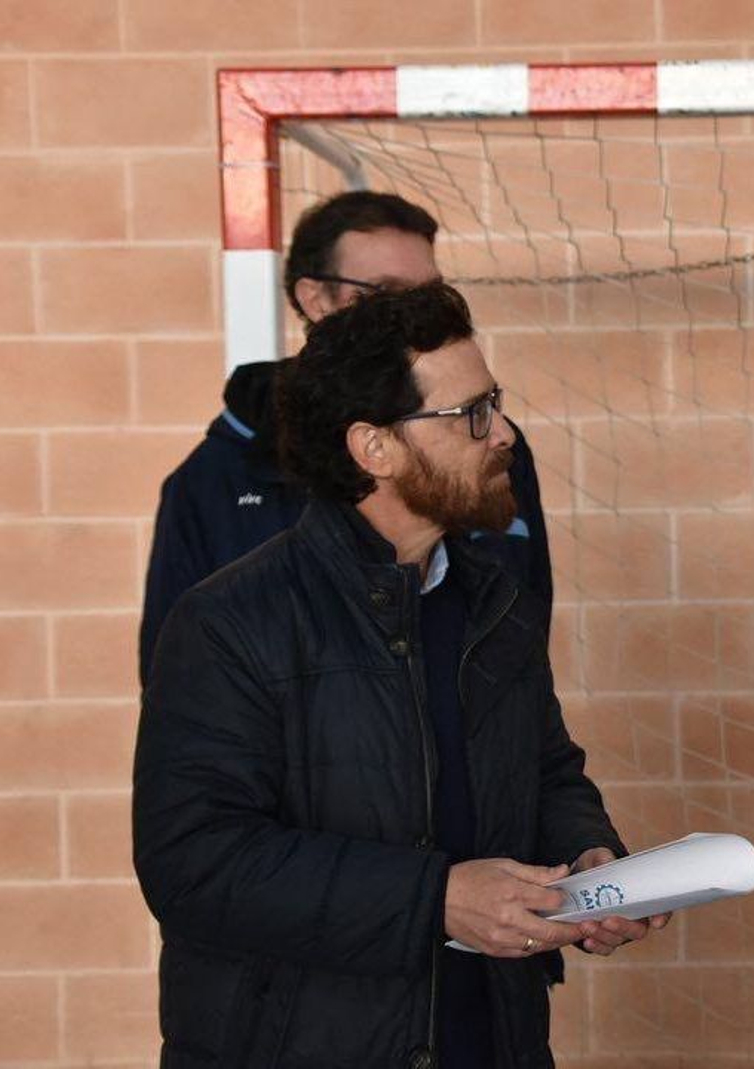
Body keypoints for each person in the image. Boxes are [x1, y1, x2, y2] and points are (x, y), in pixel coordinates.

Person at [133, 282, 665, 1069]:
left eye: (496, 404)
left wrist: (590, 858)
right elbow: (195, 862)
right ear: (373, 448)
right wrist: (435, 897)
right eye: (471, 414)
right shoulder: (229, 622)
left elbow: (545, 771)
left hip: (492, 1039)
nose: (503, 433)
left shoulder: (496, 604)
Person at [138, 190, 553, 684]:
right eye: (385, 291)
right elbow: (181, 683)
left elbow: (524, 646)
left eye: (427, 293)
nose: (410, 315)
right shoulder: (215, 480)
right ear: (315, 299)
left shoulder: (490, 444)